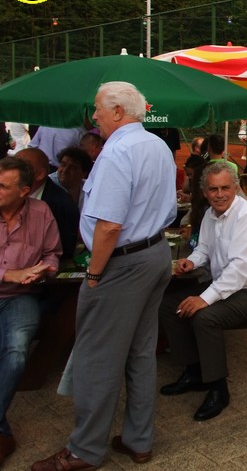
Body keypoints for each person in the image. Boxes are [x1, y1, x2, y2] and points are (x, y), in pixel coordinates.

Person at [33, 81, 176, 471]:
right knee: (140, 352)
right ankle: (138, 440)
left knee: (96, 358)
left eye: (97, 108)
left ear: (117, 111)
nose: (93, 115)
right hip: (153, 254)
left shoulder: (118, 151)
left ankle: (84, 451)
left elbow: (109, 226)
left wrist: (94, 274)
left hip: (121, 262)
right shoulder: (157, 145)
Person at [158, 163, 247, 421]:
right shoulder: (210, 215)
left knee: (205, 317)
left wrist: (204, 299)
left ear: (236, 188)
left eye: (225, 188)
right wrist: (192, 261)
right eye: (213, 189)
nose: (220, 194)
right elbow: (204, 248)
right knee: (168, 304)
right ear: (205, 191)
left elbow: (240, 268)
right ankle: (194, 371)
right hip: (228, 284)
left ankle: (218, 388)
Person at [0, 157, 61, 469]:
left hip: (21, 296)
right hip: (7, 285)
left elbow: (53, 254)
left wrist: (44, 270)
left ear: (24, 191)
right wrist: (8, 274)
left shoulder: (41, 212)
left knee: (16, 351)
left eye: (2, 186)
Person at [15, 148, 80, 259]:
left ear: (40, 174)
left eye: (21, 167)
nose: (12, 171)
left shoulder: (61, 204)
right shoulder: (8, 194)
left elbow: (63, 249)